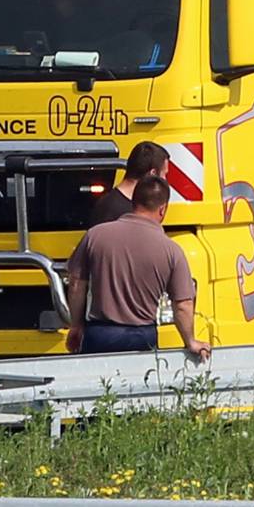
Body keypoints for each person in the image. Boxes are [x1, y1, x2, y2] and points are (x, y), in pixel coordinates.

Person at [65, 172, 210, 361]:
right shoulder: (172, 250)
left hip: (99, 336)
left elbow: (76, 282)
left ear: (133, 202)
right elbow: (183, 304)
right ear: (162, 209)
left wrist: (76, 325)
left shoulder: (95, 235)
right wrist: (190, 341)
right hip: (142, 338)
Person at [87, 139, 169, 227]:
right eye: (164, 174)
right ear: (153, 173)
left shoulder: (106, 204)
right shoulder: (124, 211)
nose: (165, 179)